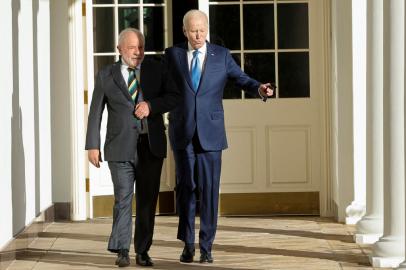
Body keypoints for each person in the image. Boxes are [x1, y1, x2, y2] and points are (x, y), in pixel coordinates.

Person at [164, 9, 275, 264]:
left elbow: (241, 78)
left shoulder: (221, 56)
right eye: (193, 30)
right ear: (184, 31)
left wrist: (259, 88)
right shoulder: (173, 55)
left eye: (202, 29)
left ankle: (207, 246)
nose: (198, 34)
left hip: (211, 134)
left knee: (209, 189)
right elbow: (163, 87)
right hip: (183, 131)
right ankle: (187, 245)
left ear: (207, 29)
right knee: (186, 189)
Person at [85, 28, 179, 268]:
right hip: (119, 148)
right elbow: (95, 112)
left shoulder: (156, 69)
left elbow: (174, 97)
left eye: (140, 48)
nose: (137, 53)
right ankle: (122, 249)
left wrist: (151, 105)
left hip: (151, 147)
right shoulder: (106, 75)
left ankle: (143, 251)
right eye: (132, 48)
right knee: (123, 199)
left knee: (148, 201)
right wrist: (92, 145)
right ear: (119, 50)